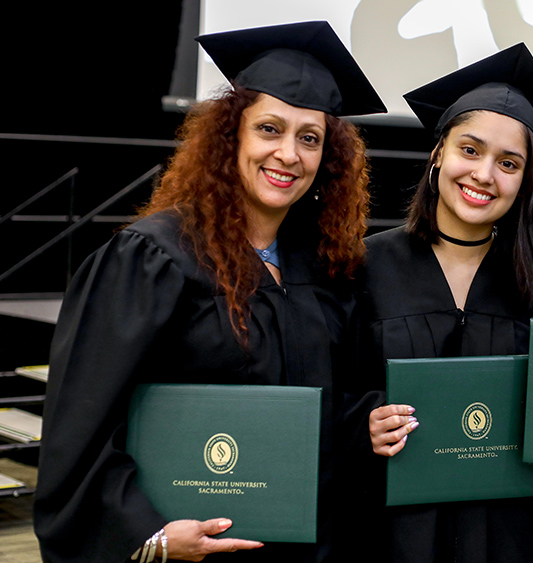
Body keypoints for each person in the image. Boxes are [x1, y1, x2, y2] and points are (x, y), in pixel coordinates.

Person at [33, 21, 385, 563]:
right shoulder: (154, 257)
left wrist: (365, 423)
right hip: (192, 552)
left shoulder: (325, 270)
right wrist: (148, 535)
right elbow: (81, 423)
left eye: (308, 138)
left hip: (302, 545)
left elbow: (318, 410)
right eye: (269, 129)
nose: (288, 154)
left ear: (328, 158)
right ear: (231, 137)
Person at [354, 44, 533, 562]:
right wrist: (363, 419)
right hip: (393, 533)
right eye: (469, 150)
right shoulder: (365, 266)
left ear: (524, 182)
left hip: (511, 537)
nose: (484, 174)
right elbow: (329, 386)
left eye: (509, 163)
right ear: (438, 154)